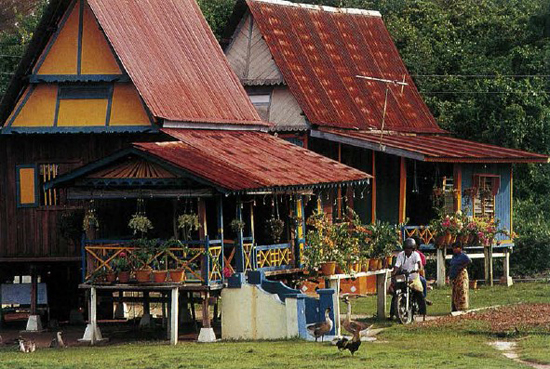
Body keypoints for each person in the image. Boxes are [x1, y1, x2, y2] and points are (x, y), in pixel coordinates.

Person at [389, 238, 427, 319]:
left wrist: (419, 269)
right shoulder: (400, 255)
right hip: (404, 276)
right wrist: (393, 273)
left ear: (413, 249)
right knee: (396, 293)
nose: (407, 250)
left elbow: (420, 264)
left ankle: (423, 312)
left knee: (419, 292)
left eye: (409, 249)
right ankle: (392, 314)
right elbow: (397, 266)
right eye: (406, 248)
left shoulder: (416, 255)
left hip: (414, 277)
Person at [449, 242, 472, 312]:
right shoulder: (454, 256)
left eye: (456, 248)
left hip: (461, 275)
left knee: (461, 290)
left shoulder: (463, 255)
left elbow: (469, 261)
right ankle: (455, 307)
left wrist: (462, 267)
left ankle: (462, 307)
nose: (454, 249)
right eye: (453, 248)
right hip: (455, 275)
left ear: (460, 248)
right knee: (455, 291)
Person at [411, 236, 432, 306]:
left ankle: (423, 299)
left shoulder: (419, 255)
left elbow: (421, 269)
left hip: (415, 275)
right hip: (405, 274)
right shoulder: (403, 253)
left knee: (423, 281)